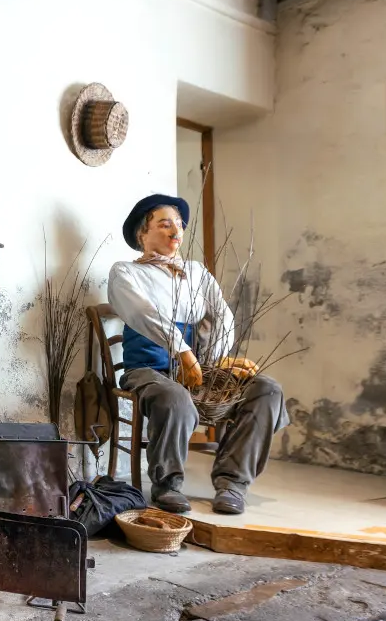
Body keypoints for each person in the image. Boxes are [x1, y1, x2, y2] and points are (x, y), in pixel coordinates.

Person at [106, 194, 288, 515]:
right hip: (150, 371)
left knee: (267, 390)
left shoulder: (196, 272)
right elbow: (143, 313)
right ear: (142, 234)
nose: (175, 232)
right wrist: (183, 352)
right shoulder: (126, 273)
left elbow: (223, 316)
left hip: (199, 368)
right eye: (164, 225)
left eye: (179, 225)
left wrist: (216, 359)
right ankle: (167, 483)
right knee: (175, 397)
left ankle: (233, 482)